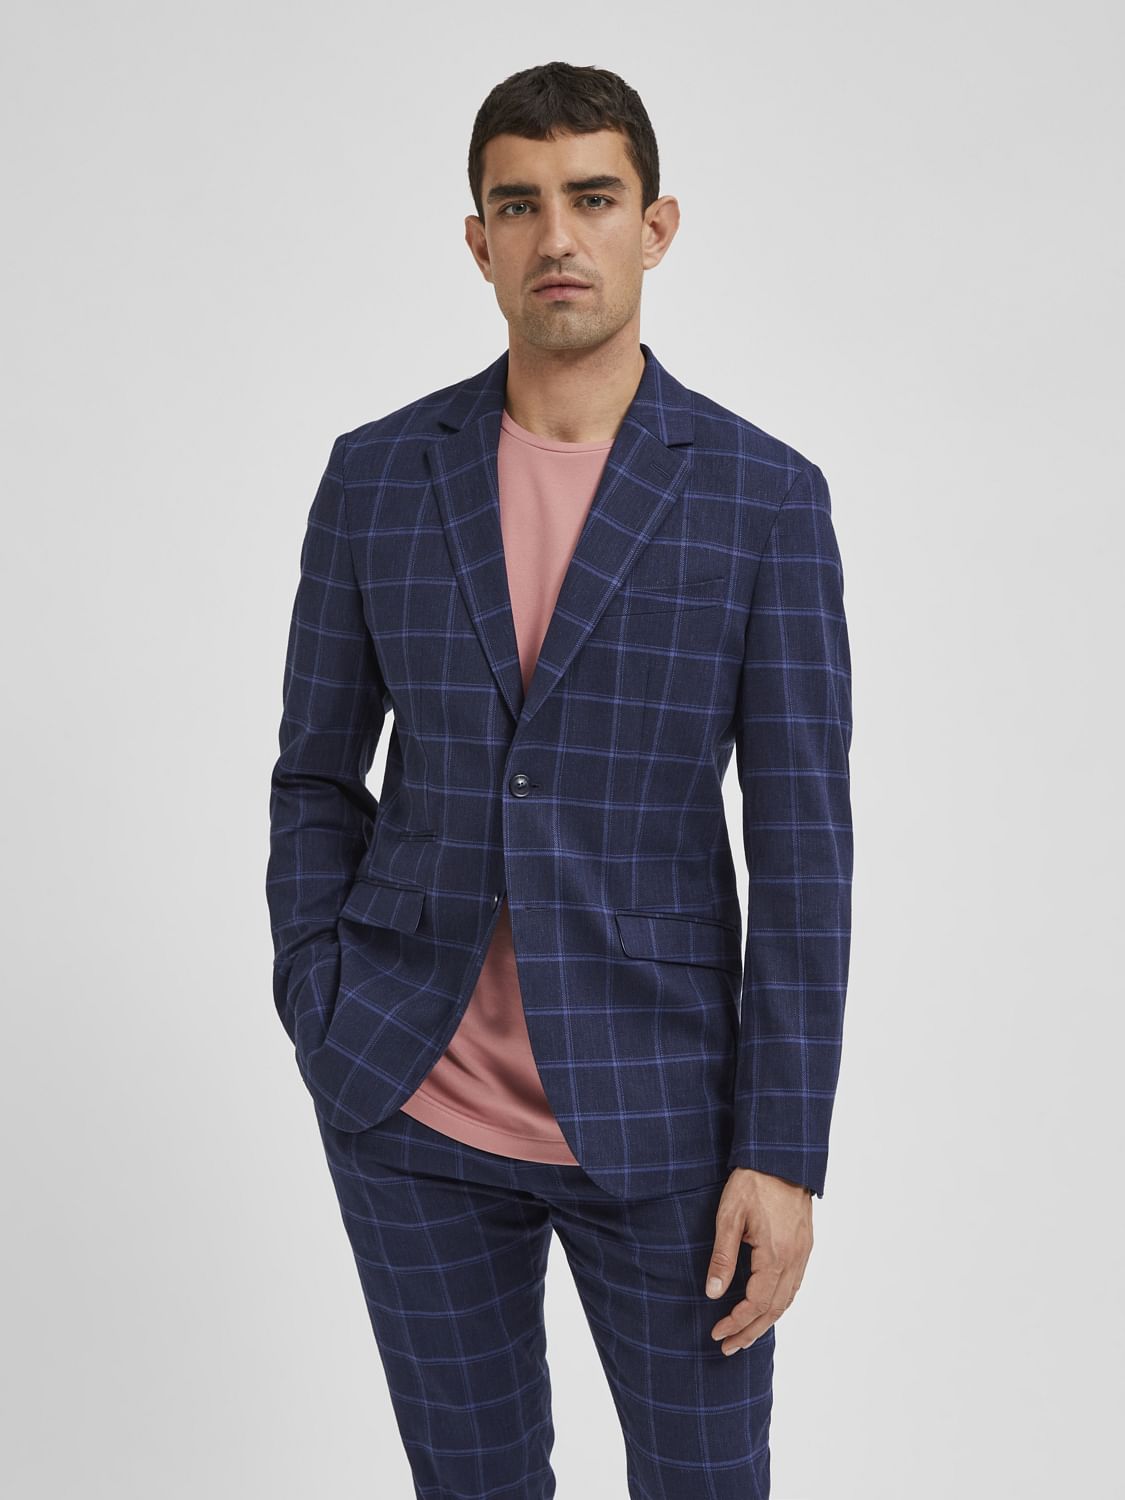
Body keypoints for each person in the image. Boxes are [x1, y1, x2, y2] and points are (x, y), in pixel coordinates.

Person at [266, 59, 853, 1499]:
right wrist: (319, 1000)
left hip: (667, 1122)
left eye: (591, 198)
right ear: (478, 241)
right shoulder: (376, 478)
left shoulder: (763, 500)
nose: (557, 237)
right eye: (518, 205)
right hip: (409, 1099)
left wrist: (783, 1150)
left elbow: (802, 849)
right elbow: (316, 776)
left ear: (655, 227)